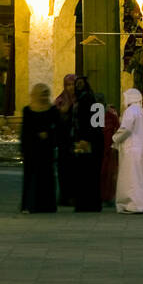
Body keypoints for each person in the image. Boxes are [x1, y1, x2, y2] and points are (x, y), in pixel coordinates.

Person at [112, 88, 143, 213]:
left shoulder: (130, 111)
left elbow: (126, 129)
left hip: (132, 149)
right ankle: (141, 203)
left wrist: (115, 138)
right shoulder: (140, 112)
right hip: (141, 148)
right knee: (140, 177)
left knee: (132, 178)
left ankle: (133, 204)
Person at [20, 83, 59, 212]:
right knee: (31, 178)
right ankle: (30, 204)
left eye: (46, 95)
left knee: (46, 177)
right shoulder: (28, 110)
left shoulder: (52, 110)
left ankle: (46, 205)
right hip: (32, 149)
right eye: (41, 95)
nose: (43, 98)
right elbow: (25, 130)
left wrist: (48, 134)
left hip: (46, 149)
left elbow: (57, 127)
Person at [71, 74, 104, 212]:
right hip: (87, 140)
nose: (78, 86)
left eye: (80, 83)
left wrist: (86, 139)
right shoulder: (84, 99)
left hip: (88, 141)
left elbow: (94, 123)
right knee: (87, 173)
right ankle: (90, 203)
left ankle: (87, 204)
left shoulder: (87, 99)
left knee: (87, 173)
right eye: (76, 83)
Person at [53, 73, 76, 207]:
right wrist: (63, 112)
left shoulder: (82, 99)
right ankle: (64, 196)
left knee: (75, 170)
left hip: (76, 140)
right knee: (63, 170)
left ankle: (74, 196)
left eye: (73, 84)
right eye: (68, 85)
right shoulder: (60, 101)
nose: (71, 87)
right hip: (63, 141)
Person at [100, 102, 121, 206]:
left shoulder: (111, 116)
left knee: (108, 173)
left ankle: (107, 196)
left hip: (109, 148)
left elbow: (118, 129)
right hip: (103, 148)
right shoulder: (105, 116)